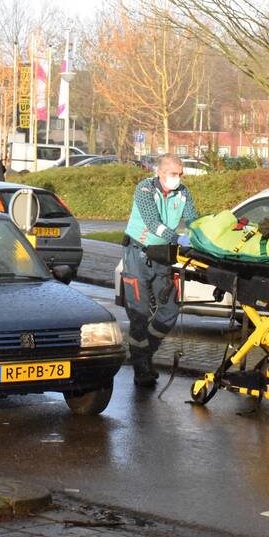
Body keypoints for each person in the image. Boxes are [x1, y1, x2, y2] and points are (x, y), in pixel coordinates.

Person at [121, 154, 199, 387]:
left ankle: (147, 354)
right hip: (137, 255)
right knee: (139, 314)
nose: (178, 178)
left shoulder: (183, 193)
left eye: (181, 174)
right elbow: (153, 223)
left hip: (161, 257)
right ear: (160, 172)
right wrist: (177, 238)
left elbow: (193, 219)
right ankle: (140, 367)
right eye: (174, 174)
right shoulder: (144, 190)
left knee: (170, 309)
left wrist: (200, 237)